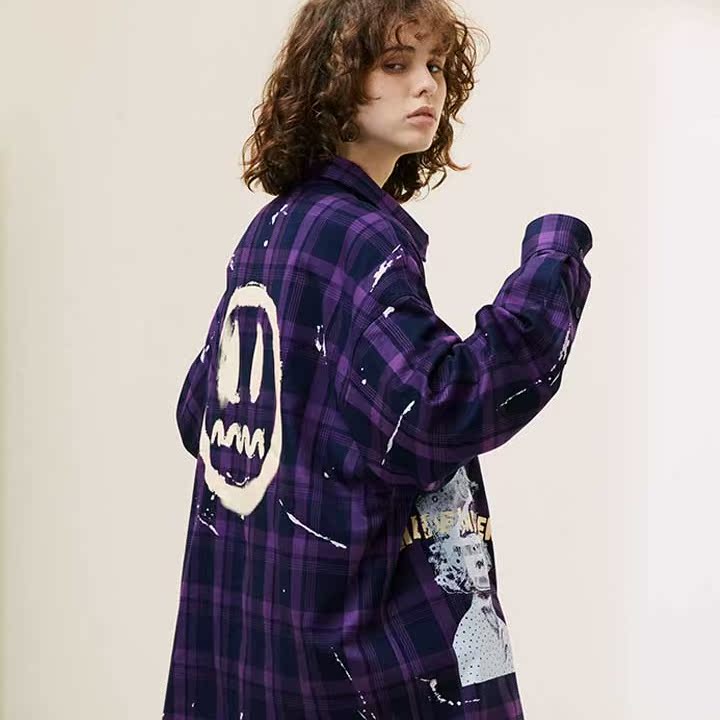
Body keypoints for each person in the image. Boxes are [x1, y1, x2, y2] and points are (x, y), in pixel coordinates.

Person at [162, 0, 593, 718]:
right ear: (333, 79)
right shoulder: (357, 237)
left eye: (435, 66)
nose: (426, 86)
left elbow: (199, 414)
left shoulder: (274, 229)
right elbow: (439, 409)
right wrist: (554, 259)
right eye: (394, 64)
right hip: (351, 669)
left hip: (259, 650)